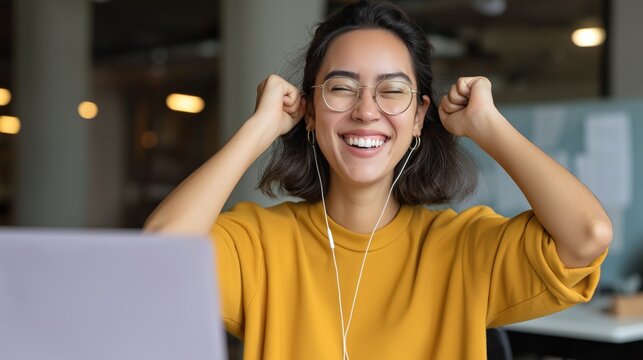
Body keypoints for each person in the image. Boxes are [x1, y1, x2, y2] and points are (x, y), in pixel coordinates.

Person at [144, 1, 611, 359]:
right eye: (342, 88)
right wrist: (259, 128)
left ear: (418, 117)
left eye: (392, 91)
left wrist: (489, 126)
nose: (367, 111)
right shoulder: (260, 245)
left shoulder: (463, 249)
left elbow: (588, 236)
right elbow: (160, 251)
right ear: (308, 111)